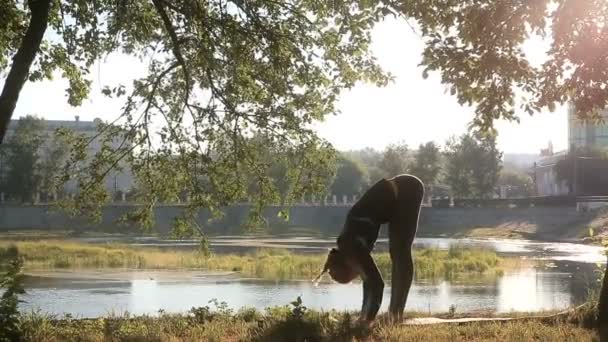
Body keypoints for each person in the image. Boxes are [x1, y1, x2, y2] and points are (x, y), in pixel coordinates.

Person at [313, 174, 424, 322]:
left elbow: (376, 284)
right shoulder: (347, 247)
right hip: (398, 196)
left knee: (400, 252)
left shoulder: (351, 248)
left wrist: (366, 320)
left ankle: (395, 314)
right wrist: (364, 315)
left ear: (347, 267)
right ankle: (393, 313)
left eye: (349, 278)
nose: (357, 276)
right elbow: (369, 281)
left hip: (406, 190)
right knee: (397, 252)